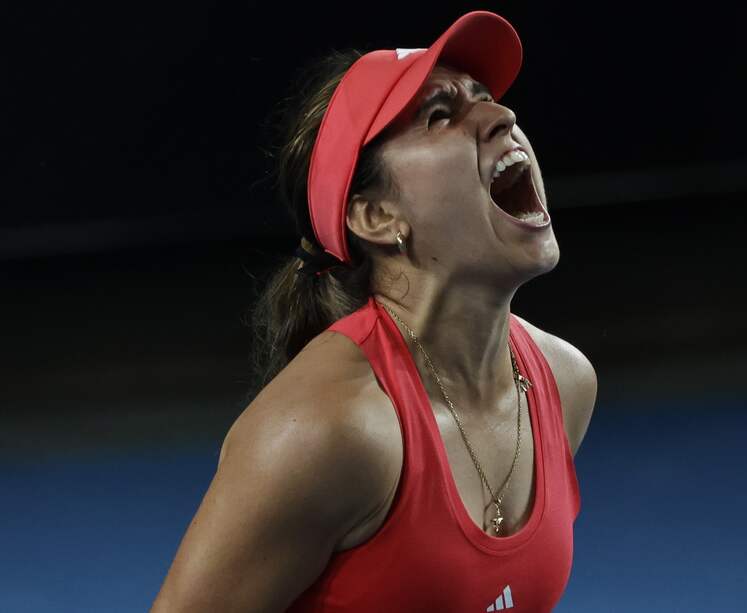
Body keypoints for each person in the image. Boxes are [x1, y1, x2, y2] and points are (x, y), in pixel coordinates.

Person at [151, 11, 596, 613]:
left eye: (486, 98)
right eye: (440, 115)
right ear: (377, 217)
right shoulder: (330, 429)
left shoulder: (565, 384)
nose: (503, 116)